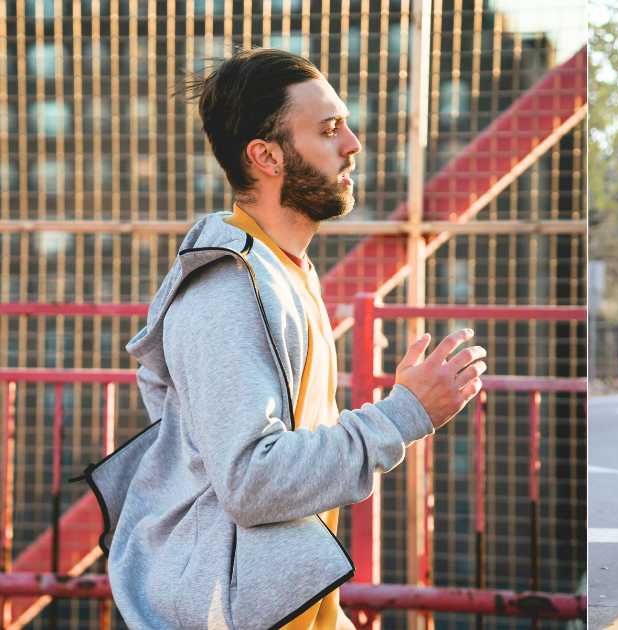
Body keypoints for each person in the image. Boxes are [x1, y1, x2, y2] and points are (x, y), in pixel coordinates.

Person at [77, 48, 488, 629]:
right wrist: (403, 415)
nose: (352, 143)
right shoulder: (228, 292)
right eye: (327, 129)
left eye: (343, 124)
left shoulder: (285, 270)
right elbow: (251, 480)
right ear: (266, 156)